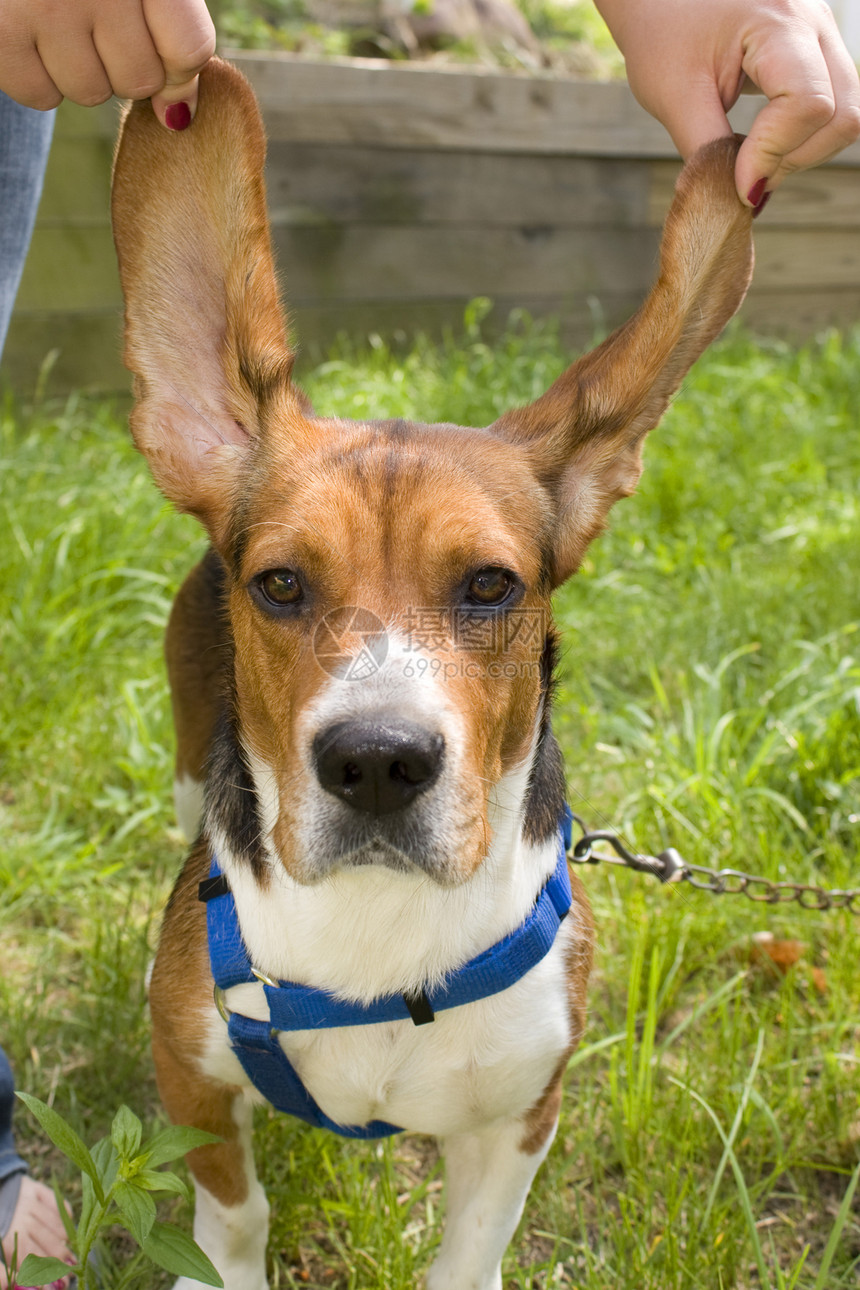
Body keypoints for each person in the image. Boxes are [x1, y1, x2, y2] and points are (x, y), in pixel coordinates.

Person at [0, 0, 857, 1280]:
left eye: (482, 592)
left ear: (582, 510)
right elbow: (187, 1083)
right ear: (193, 428)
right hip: (251, 932)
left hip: (488, 952)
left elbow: (521, 1118)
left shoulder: (541, 986)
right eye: (288, 585)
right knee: (204, 838)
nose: (382, 723)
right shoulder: (205, 981)